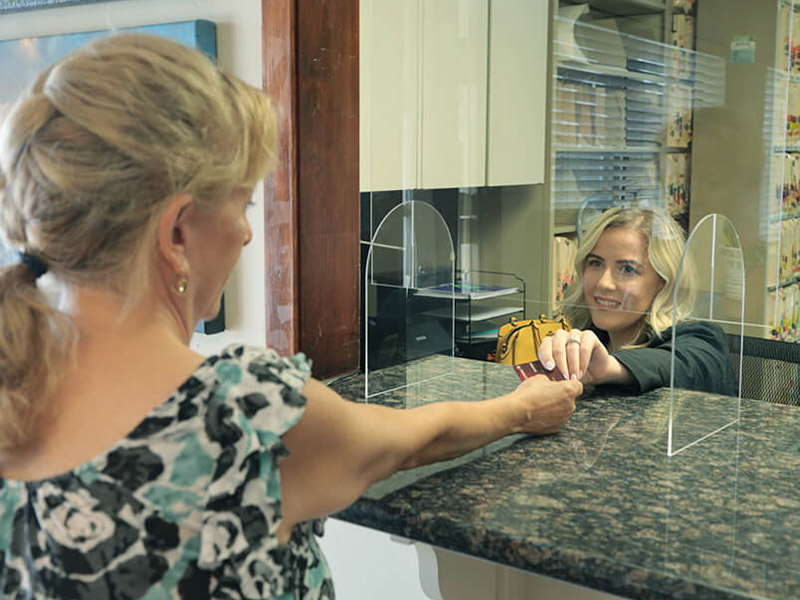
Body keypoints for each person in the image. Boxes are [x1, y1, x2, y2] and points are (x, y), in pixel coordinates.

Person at [0, 34, 582, 599]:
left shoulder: (13, 383)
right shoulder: (237, 416)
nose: (249, 233)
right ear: (177, 233)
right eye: (243, 203)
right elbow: (407, 441)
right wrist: (519, 410)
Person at [538, 206, 737, 396]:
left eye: (627, 269)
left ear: (663, 282)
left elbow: (681, 364)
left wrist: (610, 367)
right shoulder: (592, 336)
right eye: (595, 263)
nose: (604, 283)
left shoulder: (701, 338)